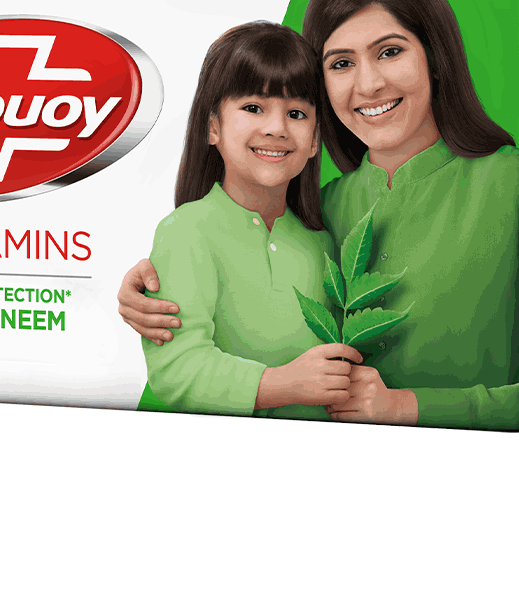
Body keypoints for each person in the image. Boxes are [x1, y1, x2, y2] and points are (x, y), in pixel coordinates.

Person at [120, 0, 519, 429]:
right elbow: (235, 252)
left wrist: (410, 407)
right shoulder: (323, 213)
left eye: (390, 51)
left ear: (435, 57)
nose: (369, 84)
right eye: (342, 63)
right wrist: (147, 287)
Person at [140, 22, 363, 421]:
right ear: (212, 126)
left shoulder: (322, 243)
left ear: (314, 140)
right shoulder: (187, 232)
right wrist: (283, 384)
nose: (276, 128)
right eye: (253, 108)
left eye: (296, 113)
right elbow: (175, 368)